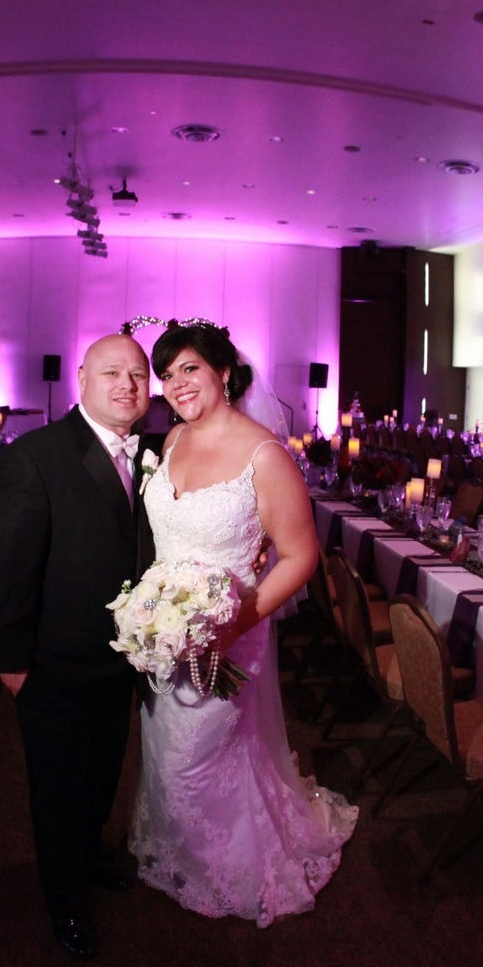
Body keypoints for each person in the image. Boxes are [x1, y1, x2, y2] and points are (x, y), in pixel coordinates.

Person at [130, 321, 357, 927]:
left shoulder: (265, 455)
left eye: (190, 369)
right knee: (163, 744)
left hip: (230, 629)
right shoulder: (173, 439)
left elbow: (301, 556)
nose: (176, 384)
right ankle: (182, 851)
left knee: (198, 756)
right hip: (164, 630)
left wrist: (232, 622)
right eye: (168, 374)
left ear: (223, 372)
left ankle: (230, 866)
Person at [0, 332, 162, 961]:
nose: (127, 386)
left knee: (103, 773)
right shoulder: (36, 456)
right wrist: (11, 665)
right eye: (112, 372)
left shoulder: (151, 453)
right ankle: (65, 901)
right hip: (53, 668)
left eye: (138, 375)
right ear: (81, 377)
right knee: (57, 790)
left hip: (120, 662)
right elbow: (3, 569)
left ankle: (87, 859)